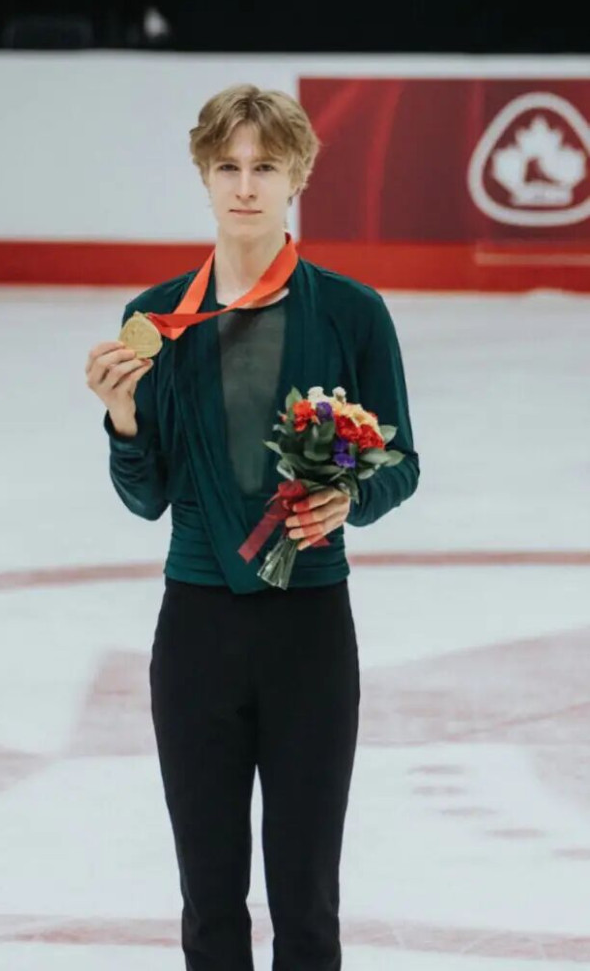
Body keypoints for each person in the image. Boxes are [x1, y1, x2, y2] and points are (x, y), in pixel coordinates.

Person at [85, 83, 420, 971]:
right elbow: (145, 498)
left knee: (307, 903)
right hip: (196, 628)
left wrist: (354, 499)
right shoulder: (158, 321)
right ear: (202, 174)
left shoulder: (352, 313)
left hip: (311, 627)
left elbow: (403, 462)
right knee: (209, 903)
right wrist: (124, 422)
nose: (245, 185)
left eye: (265, 166)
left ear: (298, 175)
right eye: (227, 165)